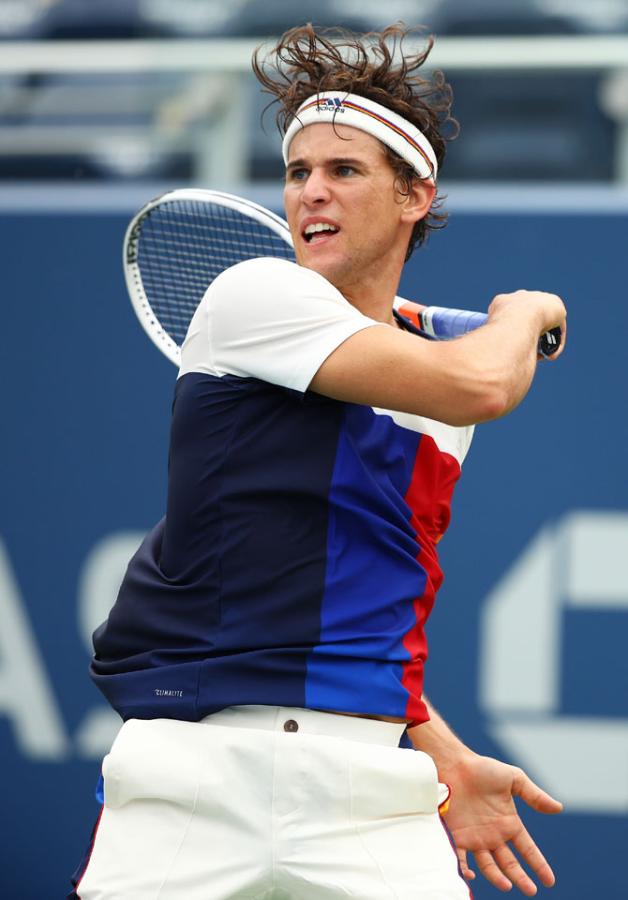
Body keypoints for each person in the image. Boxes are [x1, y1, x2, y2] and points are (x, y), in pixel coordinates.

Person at [70, 24, 566, 900]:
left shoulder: (443, 356)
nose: (310, 194)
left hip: (368, 791)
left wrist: (445, 756)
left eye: (344, 171)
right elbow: (488, 383)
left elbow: (359, 613)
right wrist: (529, 310)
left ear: (415, 196)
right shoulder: (254, 296)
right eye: (298, 172)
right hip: (194, 776)